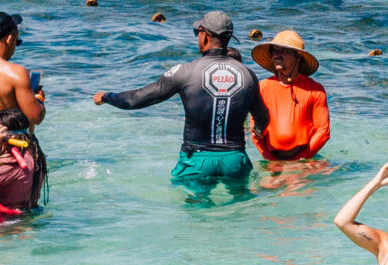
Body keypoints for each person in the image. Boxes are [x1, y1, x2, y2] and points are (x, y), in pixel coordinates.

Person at [94, 10, 268, 201]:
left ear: (205, 35)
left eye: (197, 33)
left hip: (197, 159)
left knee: (196, 209)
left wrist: (107, 97)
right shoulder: (248, 75)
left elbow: (136, 99)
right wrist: (258, 131)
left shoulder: (185, 72)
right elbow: (263, 118)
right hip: (234, 160)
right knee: (240, 207)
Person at [251, 30, 331, 161]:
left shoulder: (315, 90)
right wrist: (271, 160)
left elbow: (323, 132)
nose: (276, 55)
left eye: (283, 51)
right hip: (272, 161)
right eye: (273, 51)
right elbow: (255, 133)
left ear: (298, 57)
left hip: (305, 160)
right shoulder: (262, 88)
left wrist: (300, 160)